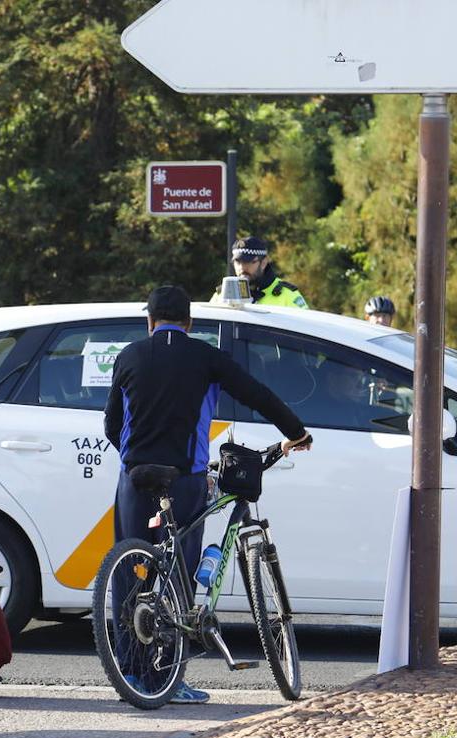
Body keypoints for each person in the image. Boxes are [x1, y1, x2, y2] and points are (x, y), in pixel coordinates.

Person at [104, 285, 311, 703]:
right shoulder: (206, 357)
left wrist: (134, 457)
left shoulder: (128, 356)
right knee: (178, 577)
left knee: (128, 572)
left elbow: (112, 423)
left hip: (134, 477)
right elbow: (258, 395)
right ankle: (169, 679)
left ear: (149, 321)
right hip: (185, 477)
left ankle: (129, 674)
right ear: (189, 323)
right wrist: (296, 432)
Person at [230, 237, 308, 308]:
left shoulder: (288, 295)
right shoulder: (224, 294)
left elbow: (305, 322)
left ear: (264, 262)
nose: (242, 267)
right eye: (238, 262)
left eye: (249, 262)